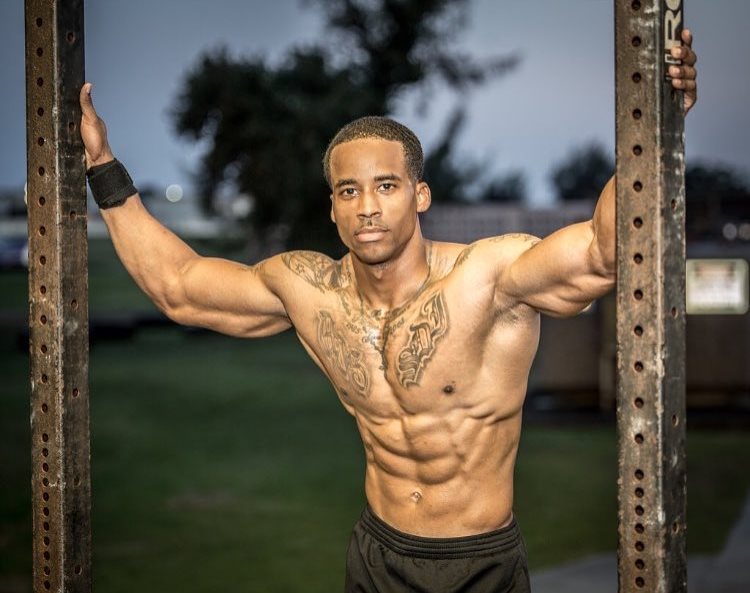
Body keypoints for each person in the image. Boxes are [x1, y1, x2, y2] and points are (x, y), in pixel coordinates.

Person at [79, 29, 697, 593]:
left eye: (386, 186)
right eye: (350, 191)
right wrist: (103, 169)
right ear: (333, 208)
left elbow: (604, 249)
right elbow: (179, 286)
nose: (367, 207)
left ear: (419, 194)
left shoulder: (488, 279)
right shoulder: (308, 289)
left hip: (480, 561)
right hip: (377, 558)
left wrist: (657, 124)